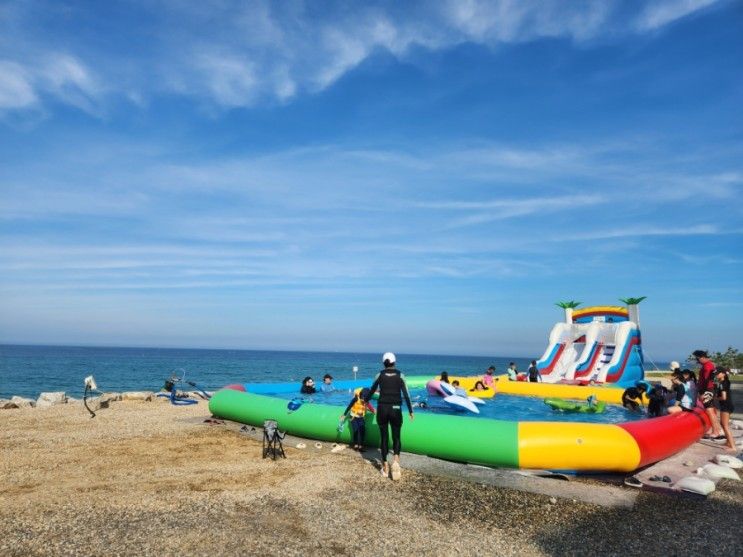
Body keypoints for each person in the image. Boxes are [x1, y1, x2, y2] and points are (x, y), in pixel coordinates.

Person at [365, 352, 413, 481]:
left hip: (382, 408)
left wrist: (365, 402)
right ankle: (396, 460)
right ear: (394, 362)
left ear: (383, 363)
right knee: (396, 437)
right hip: (396, 408)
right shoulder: (400, 375)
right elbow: (406, 394)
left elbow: (371, 391)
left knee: (384, 438)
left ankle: (385, 467)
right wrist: (410, 410)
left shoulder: (379, 375)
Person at [693, 350, 724, 439]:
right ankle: (717, 430)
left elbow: (707, 380)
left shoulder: (707, 366)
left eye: (697, 359)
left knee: (709, 411)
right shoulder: (709, 365)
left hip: (707, 390)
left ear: (702, 357)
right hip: (709, 390)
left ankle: (715, 432)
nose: (697, 361)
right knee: (711, 411)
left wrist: (703, 393)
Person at [714, 368, 737, 452]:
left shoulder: (723, 383)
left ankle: (733, 446)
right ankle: (728, 442)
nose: (716, 375)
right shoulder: (724, 382)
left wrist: (714, 398)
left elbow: (723, 397)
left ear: (723, 374)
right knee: (722, 424)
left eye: (718, 373)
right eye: (716, 373)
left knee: (725, 426)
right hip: (727, 405)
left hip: (726, 406)